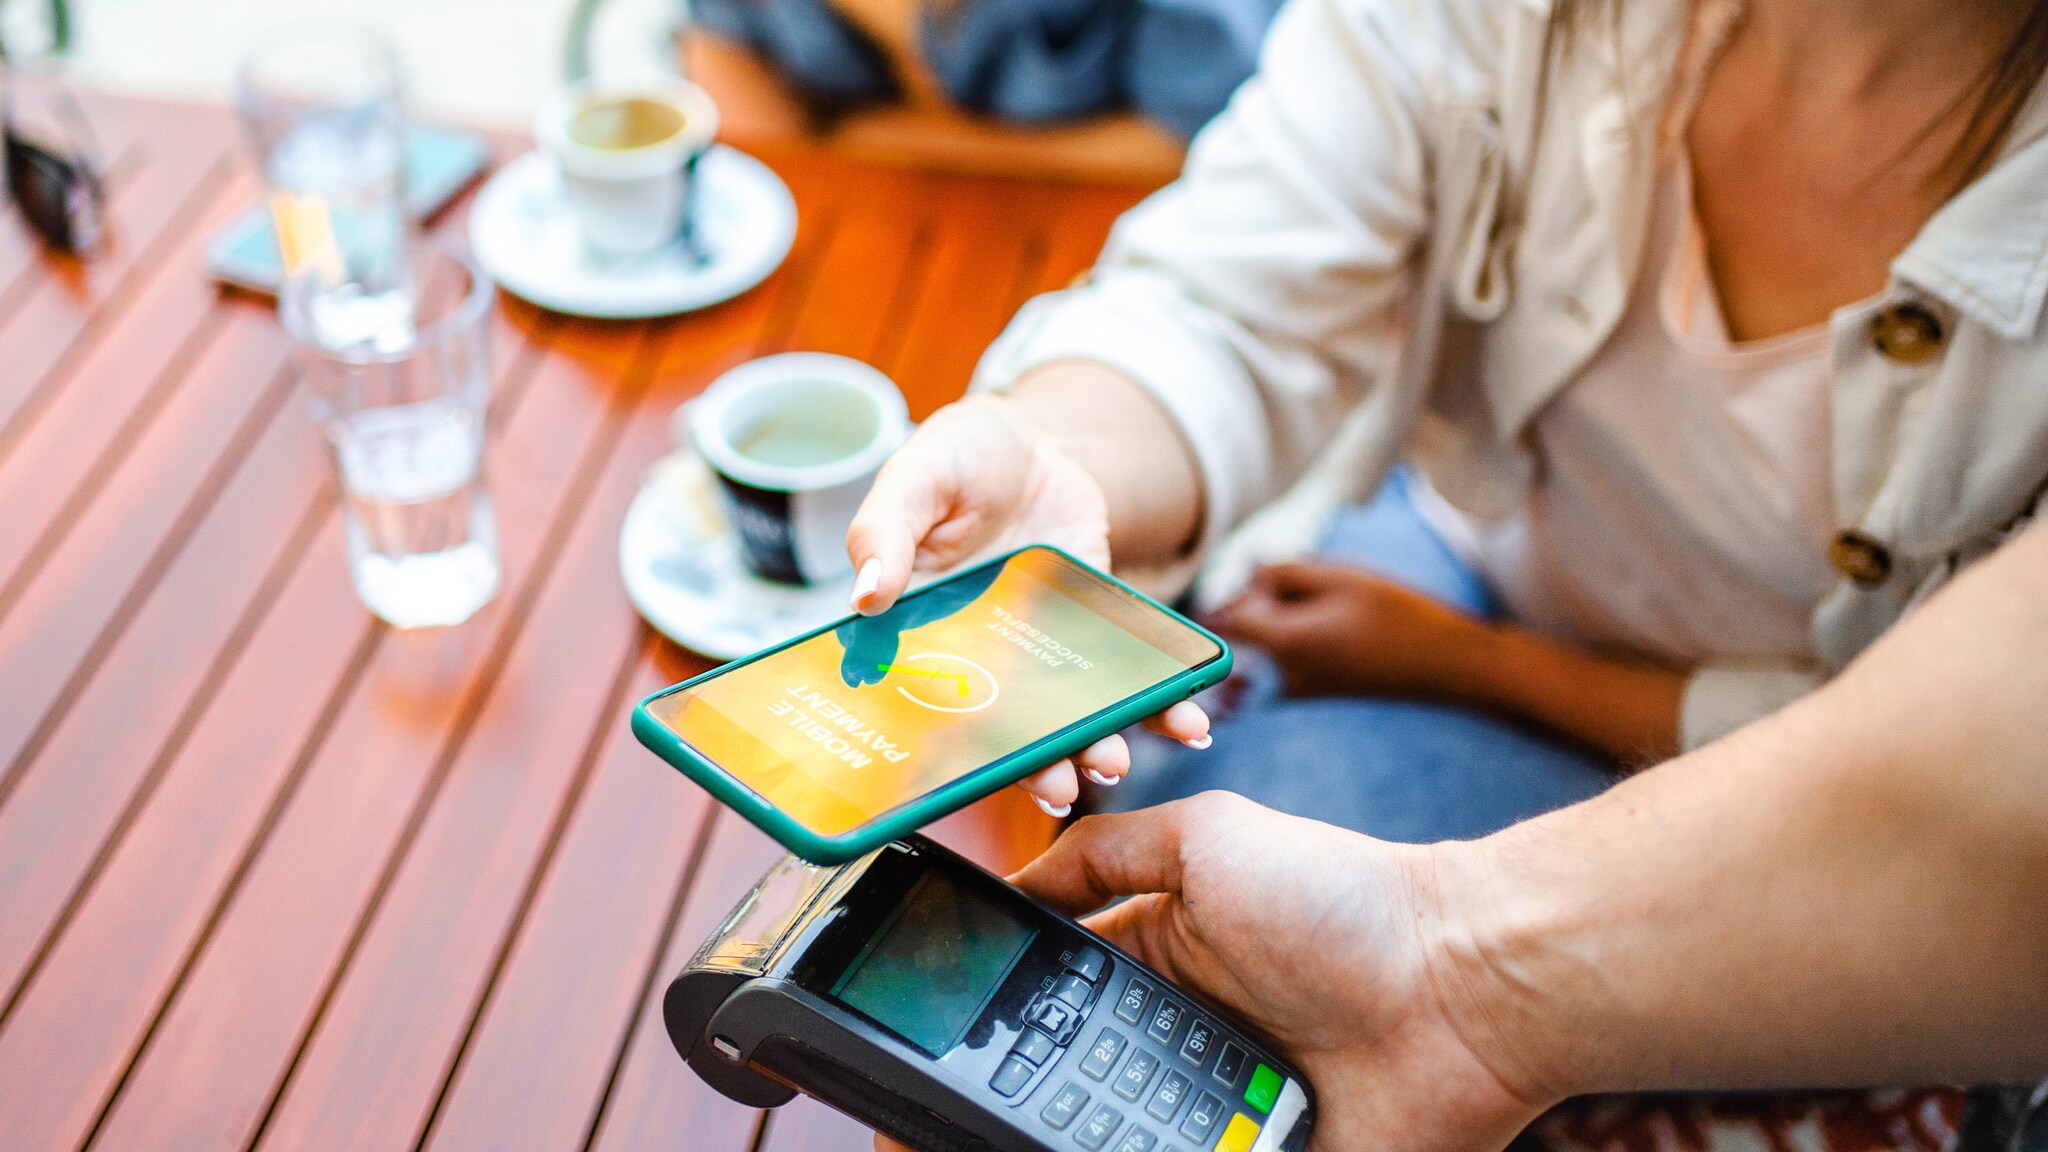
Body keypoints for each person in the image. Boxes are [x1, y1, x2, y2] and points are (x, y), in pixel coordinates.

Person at [841, 0, 2048, 839]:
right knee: (1148, 811)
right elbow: (1228, 299)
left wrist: (1477, 667)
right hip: (1473, 560)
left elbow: (1943, 771)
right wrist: (1060, 455)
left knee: (1213, 871)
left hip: (1821, 807)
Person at [874, 503, 2048, 1152]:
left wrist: (1463, 667)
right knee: (1224, 704)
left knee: (1233, 778)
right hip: (1501, 547)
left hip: (1772, 732)